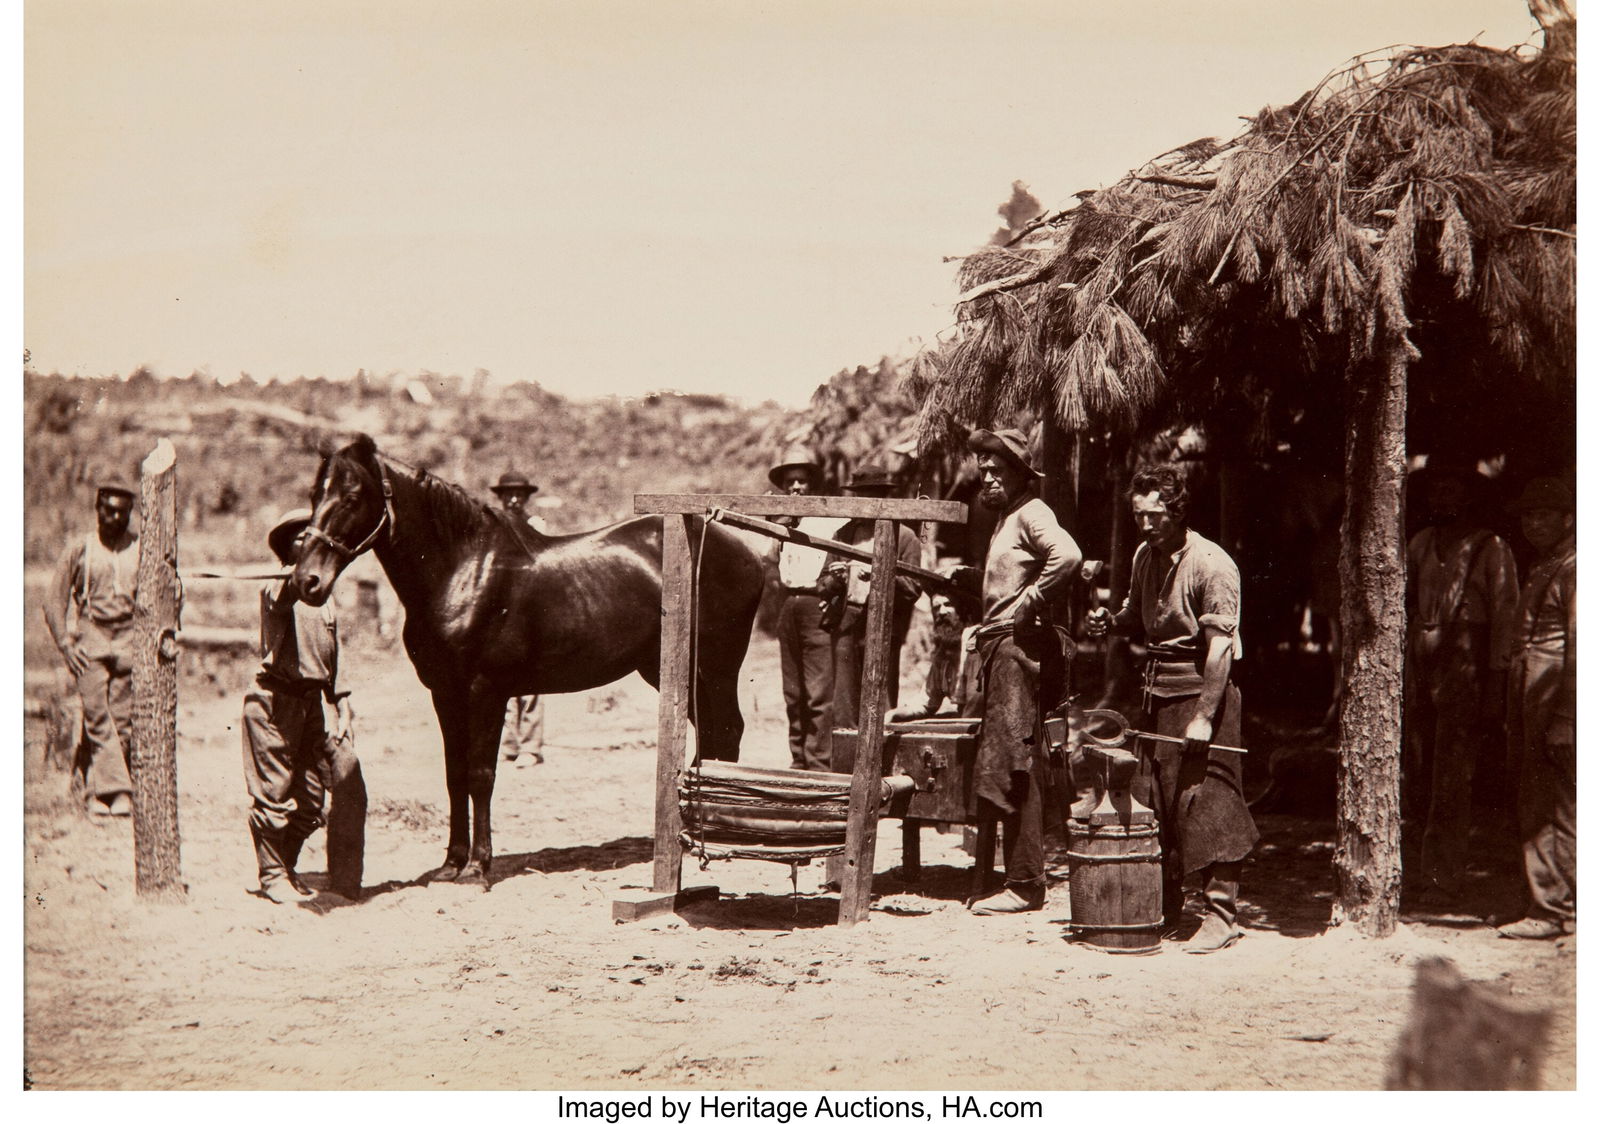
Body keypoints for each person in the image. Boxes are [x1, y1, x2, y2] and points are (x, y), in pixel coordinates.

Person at [1086, 465, 1257, 952]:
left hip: (1202, 693)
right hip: (1155, 693)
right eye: (1138, 515)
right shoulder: (1146, 555)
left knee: (1207, 800)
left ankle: (1221, 916)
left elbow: (1220, 649)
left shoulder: (1212, 564)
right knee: (1157, 800)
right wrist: (1110, 622)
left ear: (1177, 511)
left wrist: (1204, 716)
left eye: (1155, 515)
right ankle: (1168, 908)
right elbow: (1135, 616)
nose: (1145, 525)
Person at [946, 429, 1080, 915]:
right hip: (1001, 647)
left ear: (1022, 475)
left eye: (998, 470)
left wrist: (1033, 600)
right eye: (984, 470)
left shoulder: (1032, 512)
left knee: (1014, 762)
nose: (988, 478)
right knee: (1010, 759)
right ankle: (1009, 876)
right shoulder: (1007, 518)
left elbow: (1068, 555)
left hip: (1016, 650)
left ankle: (1025, 885)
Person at [1403, 464, 1519, 903]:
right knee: (1418, 770)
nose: (1441, 500)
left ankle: (1444, 877)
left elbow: (1506, 619)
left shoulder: (1492, 548)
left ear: (1468, 498)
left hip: (1466, 667)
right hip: (1422, 665)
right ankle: (1416, 871)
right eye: (1435, 492)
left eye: (1450, 491)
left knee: (1452, 775)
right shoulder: (1420, 543)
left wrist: (1496, 684)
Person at [242, 509, 356, 903]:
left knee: (311, 800)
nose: (308, 542)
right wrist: (295, 577)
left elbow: (333, 652)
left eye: (312, 536)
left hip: (311, 704)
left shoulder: (323, 596)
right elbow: (283, 597)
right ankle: (272, 875)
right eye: (299, 538)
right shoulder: (277, 584)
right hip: (275, 702)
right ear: (287, 547)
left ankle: (286, 867)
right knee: (273, 793)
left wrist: (342, 703)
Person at [1497, 478, 1575, 940]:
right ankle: (1552, 900)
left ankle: (1553, 909)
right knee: (1538, 797)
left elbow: (1580, 648)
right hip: (1532, 695)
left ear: (1568, 519)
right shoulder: (1544, 565)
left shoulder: (1575, 567)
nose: (1533, 523)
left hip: (1555, 699)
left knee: (1553, 802)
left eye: (1544, 514)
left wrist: (1565, 719)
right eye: (1528, 515)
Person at [43, 479, 141, 818]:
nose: (115, 518)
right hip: (92, 635)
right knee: (98, 714)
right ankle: (119, 792)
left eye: (122, 512)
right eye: (108, 510)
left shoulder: (140, 548)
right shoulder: (80, 548)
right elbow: (53, 601)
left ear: (130, 513)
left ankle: (90, 789)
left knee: (121, 719)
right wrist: (65, 644)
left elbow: (168, 589)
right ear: (97, 509)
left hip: (128, 637)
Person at [824, 464, 923, 731]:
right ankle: (845, 754)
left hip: (884, 625)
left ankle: (882, 751)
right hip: (847, 623)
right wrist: (836, 578)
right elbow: (823, 584)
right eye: (860, 495)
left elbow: (913, 588)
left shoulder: (904, 537)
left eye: (872, 494)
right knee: (844, 701)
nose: (865, 501)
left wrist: (881, 575)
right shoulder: (844, 534)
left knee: (882, 697)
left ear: (884, 496)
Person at [768, 448, 847, 771]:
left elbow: (843, 561)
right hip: (789, 604)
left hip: (817, 602)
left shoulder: (829, 518)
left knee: (818, 690)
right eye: (790, 483)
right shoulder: (780, 522)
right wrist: (775, 524)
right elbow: (767, 559)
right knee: (792, 690)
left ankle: (818, 762)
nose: (796, 488)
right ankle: (798, 758)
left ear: (812, 484)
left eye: (801, 481)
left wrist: (834, 594)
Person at [491, 470, 548, 766]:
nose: (513, 500)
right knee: (501, 676)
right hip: (501, 608)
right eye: (508, 495)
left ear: (526, 498)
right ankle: (509, 744)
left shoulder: (535, 525)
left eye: (519, 495)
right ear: (501, 498)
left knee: (530, 679)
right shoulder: (492, 525)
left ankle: (531, 746)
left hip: (529, 604)